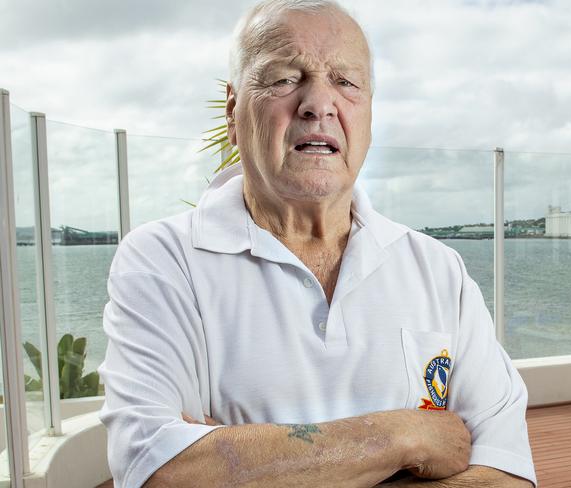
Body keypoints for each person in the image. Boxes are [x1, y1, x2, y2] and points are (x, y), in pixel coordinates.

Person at [98, 1, 537, 486]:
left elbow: (507, 472)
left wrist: (241, 457)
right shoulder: (164, 261)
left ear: (369, 110)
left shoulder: (437, 270)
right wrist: (402, 435)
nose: (318, 104)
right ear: (233, 111)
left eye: (346, 82)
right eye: (285, 78)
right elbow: (160, 471)